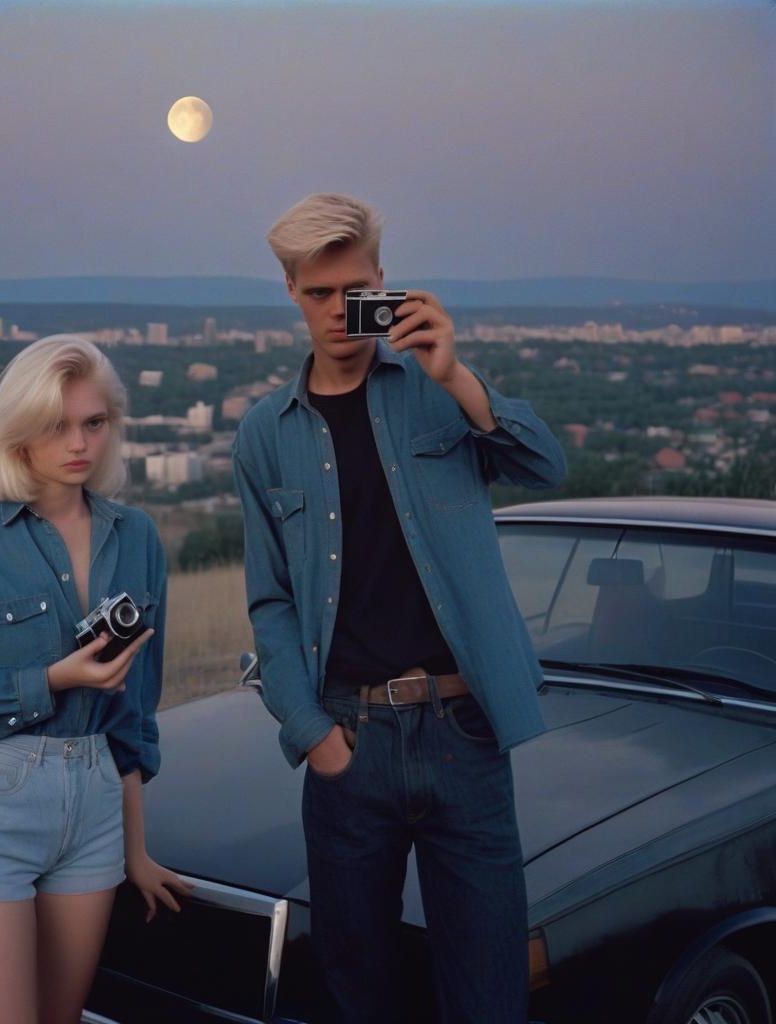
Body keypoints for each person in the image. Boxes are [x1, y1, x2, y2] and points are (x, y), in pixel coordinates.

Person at [231, 193, 568, 1023]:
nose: (339, 313)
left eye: (355, 291)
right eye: (318, 294)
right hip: (351, 741)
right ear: (291, 293)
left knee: (489, 994)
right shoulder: (265, 435)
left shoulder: (432, 387)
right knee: (357, 996)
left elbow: (544, 465)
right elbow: (269, 600)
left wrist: (454, 373)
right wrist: (314, 739)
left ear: (384, 281)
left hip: (466, 734)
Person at [0, 334, 192, 1024]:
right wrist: (53, 678)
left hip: (97, 805)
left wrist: (136, 850)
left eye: (94, 423)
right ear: (17, 432)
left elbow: (134, 715)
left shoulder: (138, 537)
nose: (80, 443)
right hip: (2, 804)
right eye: (56, 425)